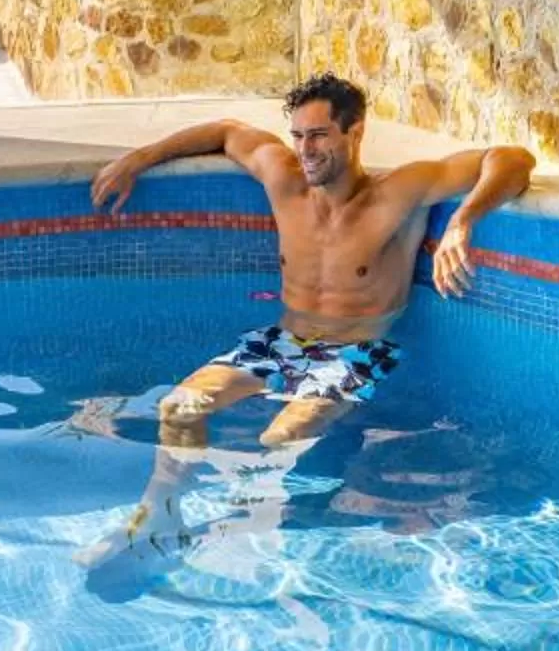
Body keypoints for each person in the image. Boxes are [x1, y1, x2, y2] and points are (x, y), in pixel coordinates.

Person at [75, 74, 534, 583]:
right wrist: (138, 159)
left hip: (356, 350)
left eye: (318, 135)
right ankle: (159, 516)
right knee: (178, 408)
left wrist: (463, 221)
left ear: (355, 133)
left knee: (282, 436)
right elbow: (225, 132)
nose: (305, 150)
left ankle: (236, 534)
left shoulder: (398, 194)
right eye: (297, 135)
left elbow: (512, 159)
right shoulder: (284, 179)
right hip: (282, 343)